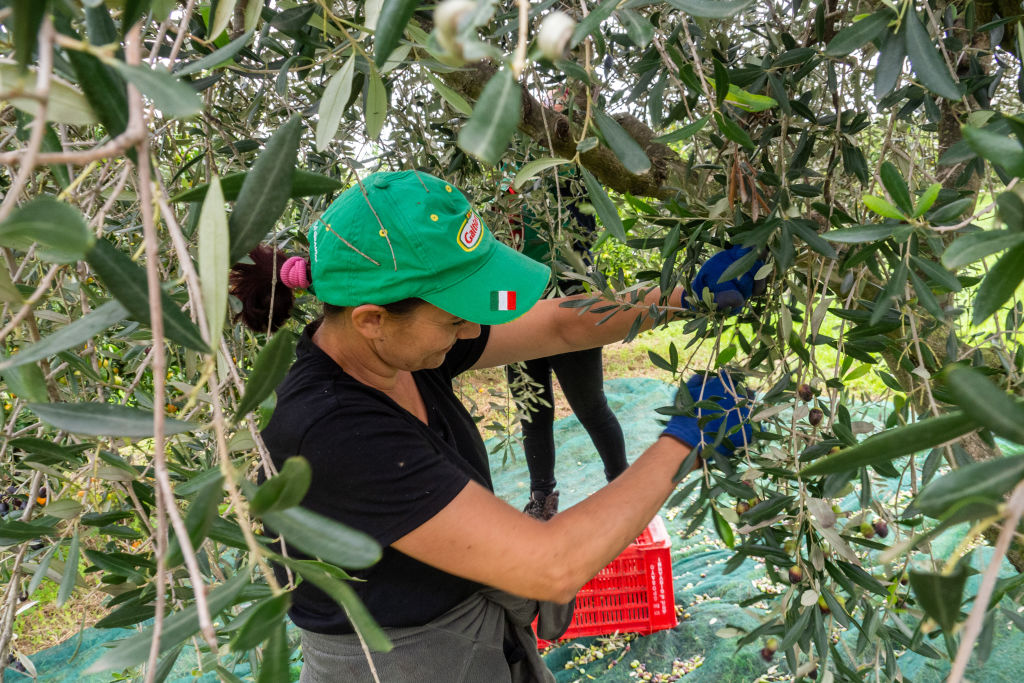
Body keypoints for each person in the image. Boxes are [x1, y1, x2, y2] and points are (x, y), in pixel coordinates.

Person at [229, 170, 760, 682]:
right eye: (454, 317)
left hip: (477, 634)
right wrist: (687, 438)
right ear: (372, 318)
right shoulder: (331, 429)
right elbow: (551, 565)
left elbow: (557, 323)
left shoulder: (397, 352)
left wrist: (682, 297)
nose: (470, 331)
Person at [503, 175, 628, 519]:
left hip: (571, 303)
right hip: (519, 309)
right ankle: (541, 498)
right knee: (533, 413)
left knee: (590, 407)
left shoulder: (572, 180)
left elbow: (585, 235)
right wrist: (499, 309)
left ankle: (622, 487)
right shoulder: (506, 186)